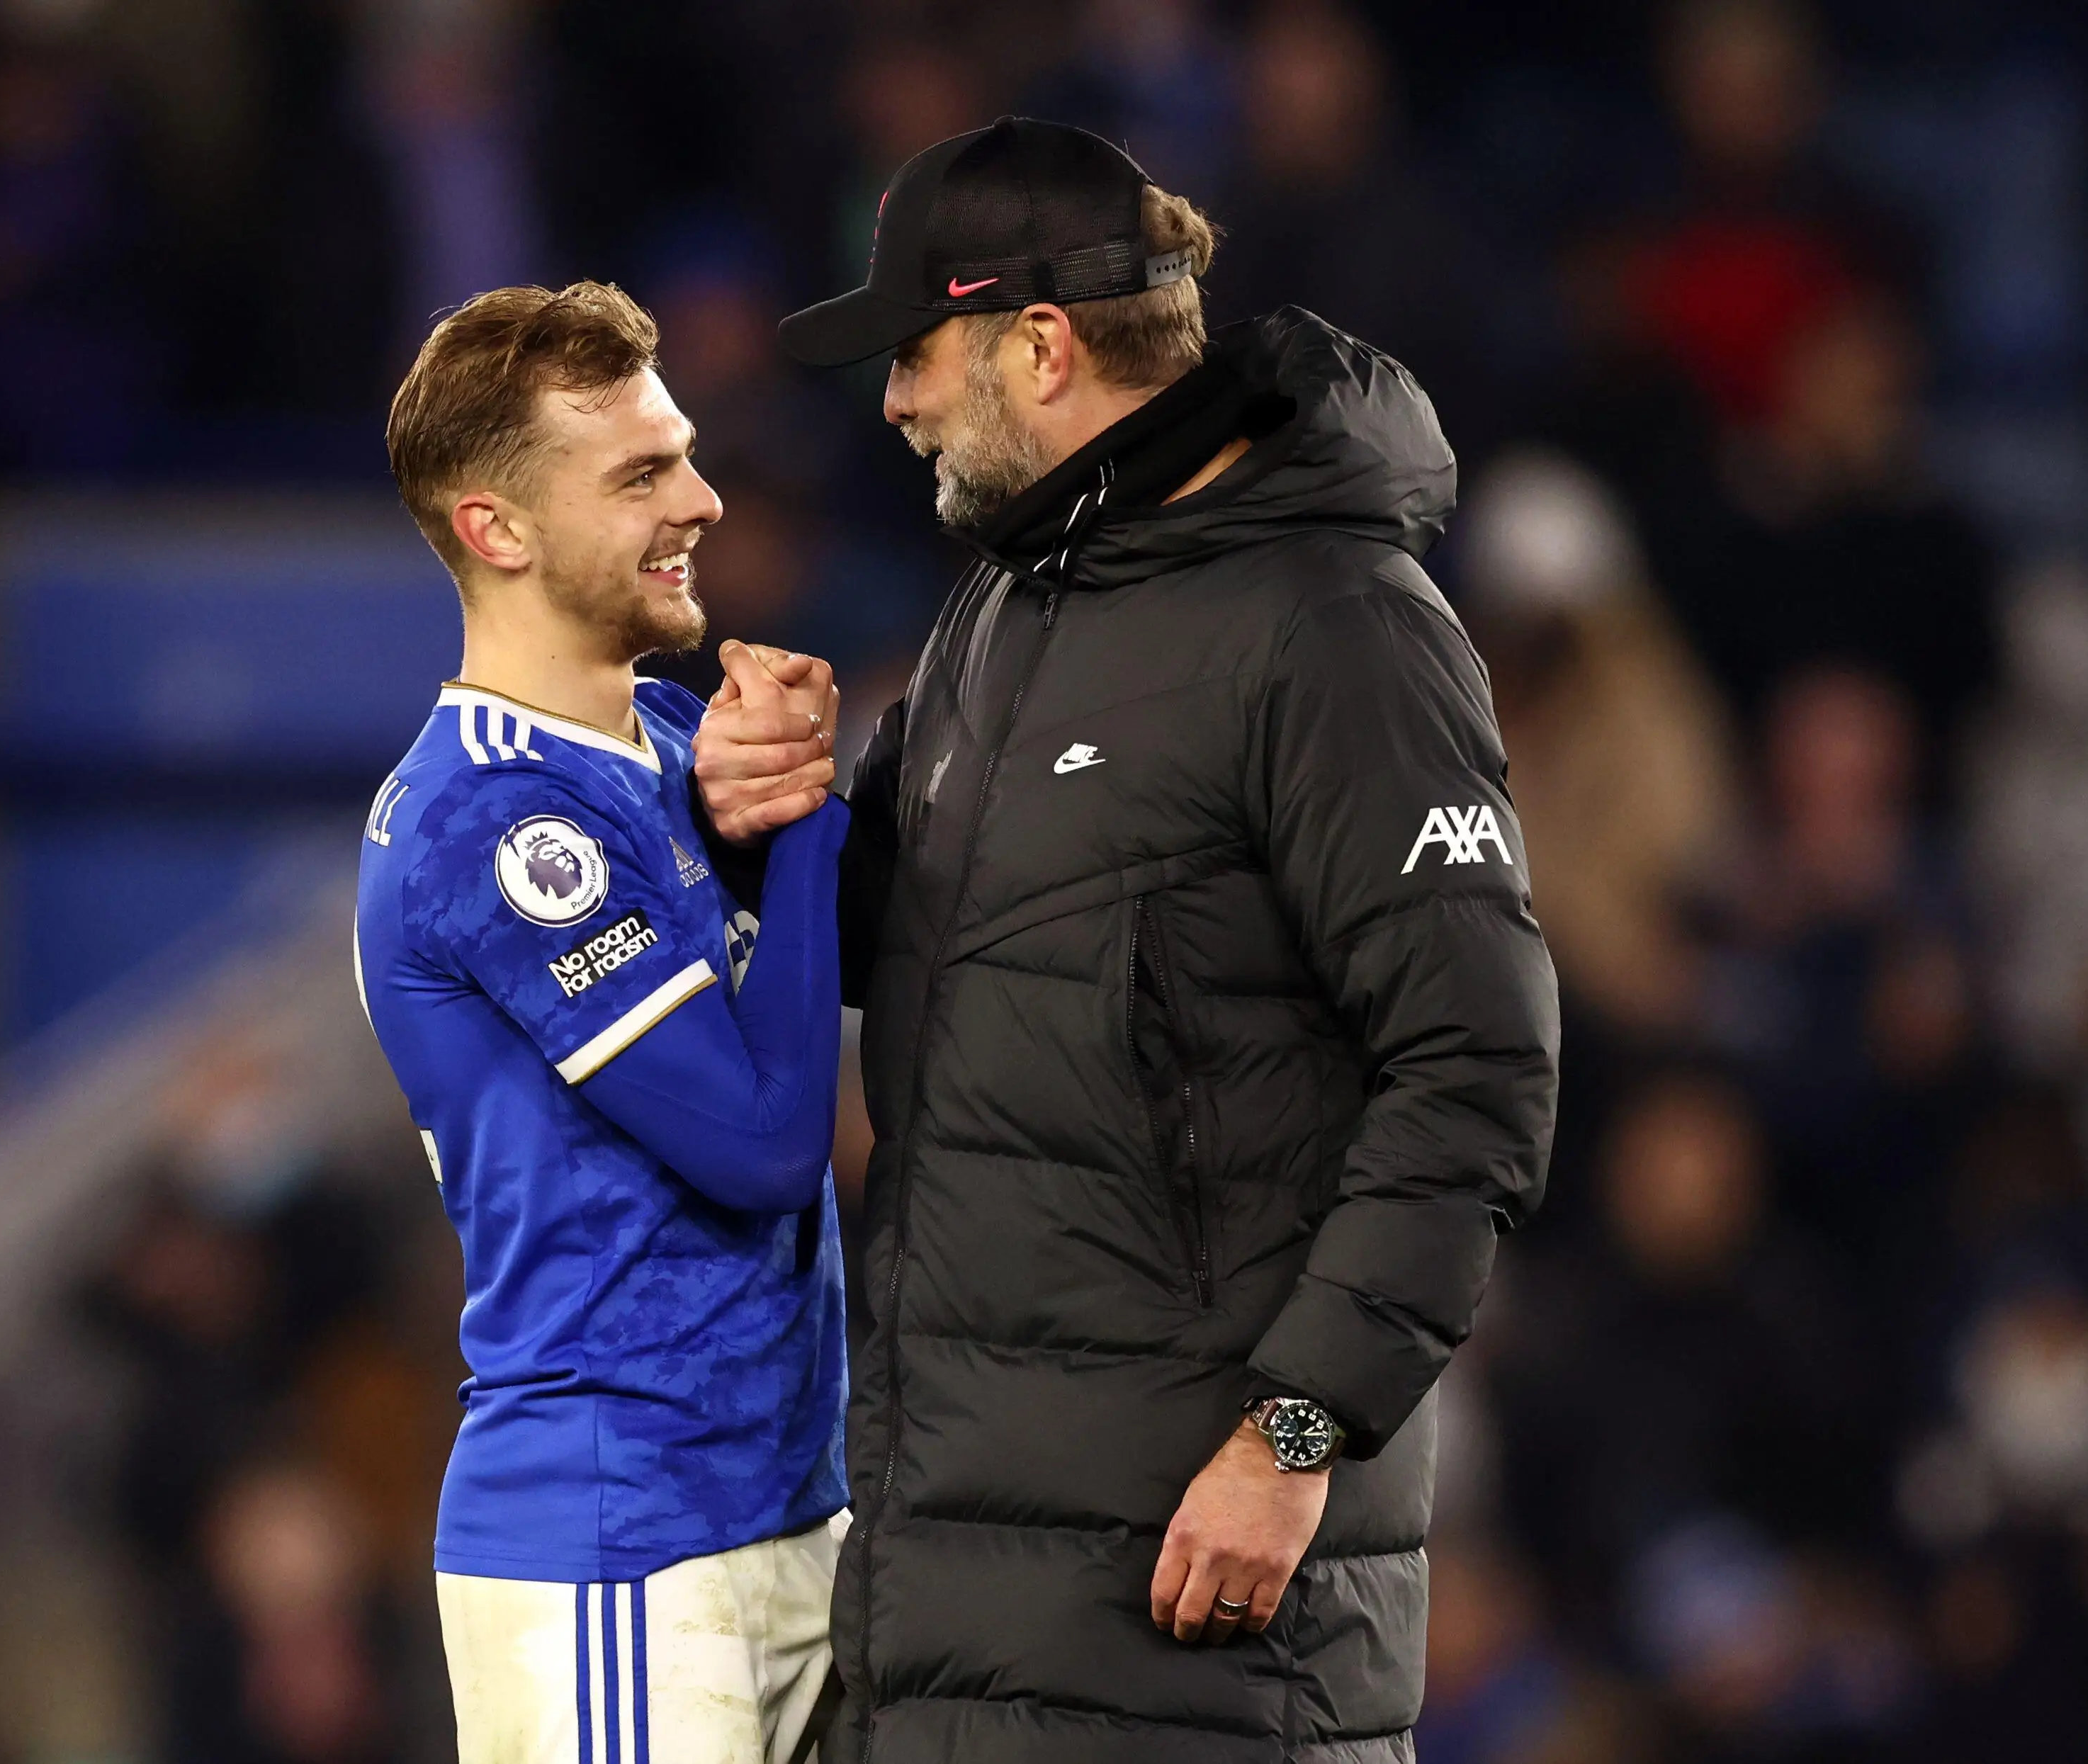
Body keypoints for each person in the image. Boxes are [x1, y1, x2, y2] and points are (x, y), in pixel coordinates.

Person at [696, 119, 1560, 1760]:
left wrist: (1294, 1433)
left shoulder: (1340, 626)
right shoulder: (1000, 614)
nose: (890, 403)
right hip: (951, 1612)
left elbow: (1474, 1069)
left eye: (914, 353)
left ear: (1038, 345)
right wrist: (756, 810)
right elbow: (877, 925)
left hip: (1203, 1631)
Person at [355, 281, 852, 1762]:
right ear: (495, 530)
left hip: (775, 1508)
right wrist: (806, 827)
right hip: (619, 1547)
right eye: (640, 475)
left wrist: (763, 834)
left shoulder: (676, 746)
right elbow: (763, 1146)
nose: (700, 498)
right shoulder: (494, 820)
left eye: (683, 455)